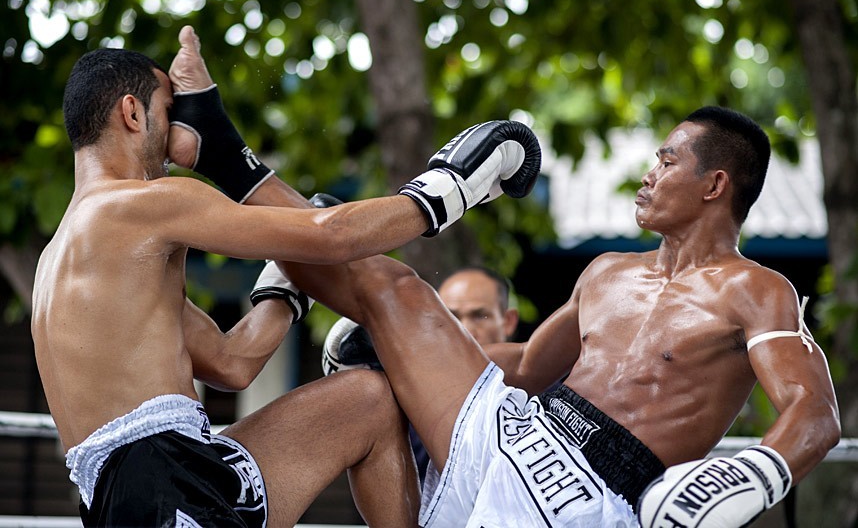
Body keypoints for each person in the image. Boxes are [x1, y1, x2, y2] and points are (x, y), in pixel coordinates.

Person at [30, 24, 540, 527]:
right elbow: (333, 235)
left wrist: (287, 281)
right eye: (170, 112)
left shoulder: (70, 259)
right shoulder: (138, 206)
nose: (169, 144)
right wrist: (451, 188)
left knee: (368, 400)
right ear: (132, 112)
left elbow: (232, 363)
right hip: (158, 479)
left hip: (163, 476)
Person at [278, 107, 842, 526]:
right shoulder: (608, 270)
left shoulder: (758, 289)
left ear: (715, 185)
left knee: (385, 306)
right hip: (523, 428)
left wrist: (747, 474)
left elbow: (814, 412)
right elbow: (524, 363)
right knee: (386, 299)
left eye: (667, 161)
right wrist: (401, 357)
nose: (649, 175)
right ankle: (222, 153)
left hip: (597, 493)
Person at [409, 266, 520, 482]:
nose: (464, 329)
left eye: (480, 315)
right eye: (451, 316)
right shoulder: (406, 400)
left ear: (508, 321)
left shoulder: (548, 397)